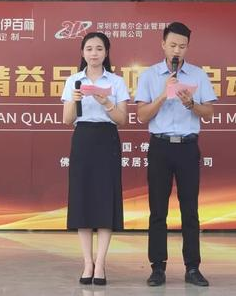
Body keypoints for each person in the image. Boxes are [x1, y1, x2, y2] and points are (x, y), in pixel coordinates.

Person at [135, 22, 216, 287]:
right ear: (163, 45)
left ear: (187, 47)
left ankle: (192, 267)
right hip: (160, 147)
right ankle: (157, 267)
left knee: (189, 209)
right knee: (158, 210)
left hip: (187, 147)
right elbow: (141, 115)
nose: (177, 50)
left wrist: (191, 104)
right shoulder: (149, 75)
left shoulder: (198, 75)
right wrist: (163, 95)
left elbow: (209, 113)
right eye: (172, 45)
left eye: (182, 46)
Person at [62, 32, 129, 286]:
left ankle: (100, 263)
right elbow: (67, 120)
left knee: (104, 200)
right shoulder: (73, 81)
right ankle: (87, 262)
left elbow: (122, 120)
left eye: (99, 48)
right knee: (83, 200)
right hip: (83, 139)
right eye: (89, 48)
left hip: (107, 140)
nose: (94, 53)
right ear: (82, 52)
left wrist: (107, 102)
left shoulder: (116, 81)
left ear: (106, 53)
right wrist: (74, 100)